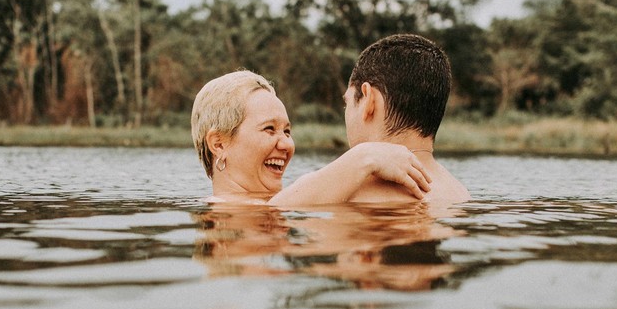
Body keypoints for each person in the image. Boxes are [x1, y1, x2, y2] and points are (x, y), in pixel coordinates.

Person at [191, 70, 431, 205]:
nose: (286, 144)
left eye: (287, 131)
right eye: (269, 129)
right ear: (219, 144)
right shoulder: (224, 211)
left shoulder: (288, 199)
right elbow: (274, 209)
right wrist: (365, 157)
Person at [341, 33, 469, 205]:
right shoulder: (458, 192)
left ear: (368, 99)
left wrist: (363, 156)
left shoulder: (348, 194)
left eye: (347, 103)